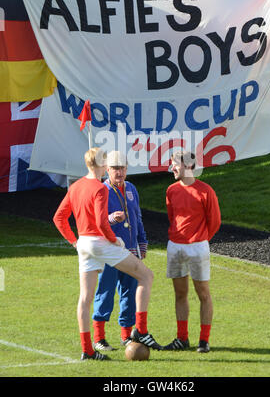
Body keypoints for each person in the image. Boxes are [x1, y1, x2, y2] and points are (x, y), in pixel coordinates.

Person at [53, 147, 161, 361]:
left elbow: (59, 218)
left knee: (85, 298)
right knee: (146, 276)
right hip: (100, 242)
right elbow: (103, 224)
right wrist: (116, 241)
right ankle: (140, 330)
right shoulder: (100, 188)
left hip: (84, 243)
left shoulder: (75, 187)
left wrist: (74, 242)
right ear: (103, 165)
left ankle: (87, 350)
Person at [163, 150, 221, 353]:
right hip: (175, 246)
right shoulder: (171, 190)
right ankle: (182, 339)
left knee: (203, 294)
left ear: (187, 166)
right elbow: (173, 217)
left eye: (175, 164)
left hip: (198, 247)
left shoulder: (206, 191)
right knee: (180, 294)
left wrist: (200, 239)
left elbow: (214, 222)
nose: (172, 168)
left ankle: (204, 341)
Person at [92, 150, 148, 351]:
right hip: (109, 250)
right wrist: (109, 219)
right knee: (105, 291)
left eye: (123, 168)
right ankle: (99, 337)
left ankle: (127, 335)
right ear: (107, 169)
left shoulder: (131, 188)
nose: (120, 172)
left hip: (130, 251)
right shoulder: (101, 190)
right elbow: (95, 222)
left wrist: (142, 241)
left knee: (130, 292)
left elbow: (137, 217)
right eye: (115, 168)